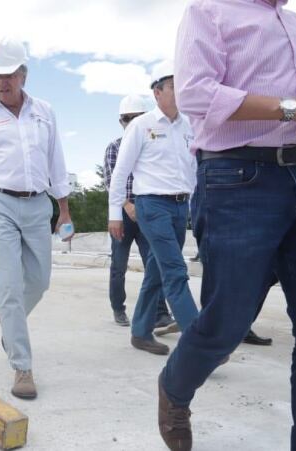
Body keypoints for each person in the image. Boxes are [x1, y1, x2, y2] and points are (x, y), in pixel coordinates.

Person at [159, 2, 296, 449]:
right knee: (229, 320)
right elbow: (195, 94)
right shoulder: (210, 12)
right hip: (238, 177)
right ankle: (175, 386)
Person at [0, 38, 72, 399]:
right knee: (8, 285)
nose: (1, 83)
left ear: (23, 73)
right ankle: (22, 366)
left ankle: (9, 318)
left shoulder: (44, 112)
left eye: (7, 75)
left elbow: (56, 160)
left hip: (38, 204)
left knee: (39, 281)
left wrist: (64, 209)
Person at [108, 61, 199, 356]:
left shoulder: (189, 126)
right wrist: (114, 215)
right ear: (157, 91)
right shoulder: (141, 125)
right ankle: (201, 345)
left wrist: (196, 210)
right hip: (151, 205)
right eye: (173, 85)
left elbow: (193, 171)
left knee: (157, 272)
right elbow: (119, 174)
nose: (179, 90)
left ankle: (140, 332)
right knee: (175, 270)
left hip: (179, 206)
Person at [104, 94, 174, 328]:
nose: (131, 122)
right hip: (123, 215)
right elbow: (111, 180)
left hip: (148, 210)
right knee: (119, 265)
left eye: (137, 117)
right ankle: (118, 308)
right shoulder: (115, 147)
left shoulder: (154, 142)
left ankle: (160, 312)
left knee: (154, 263)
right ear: (121, 121)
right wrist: (126, 205)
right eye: (127, 118)